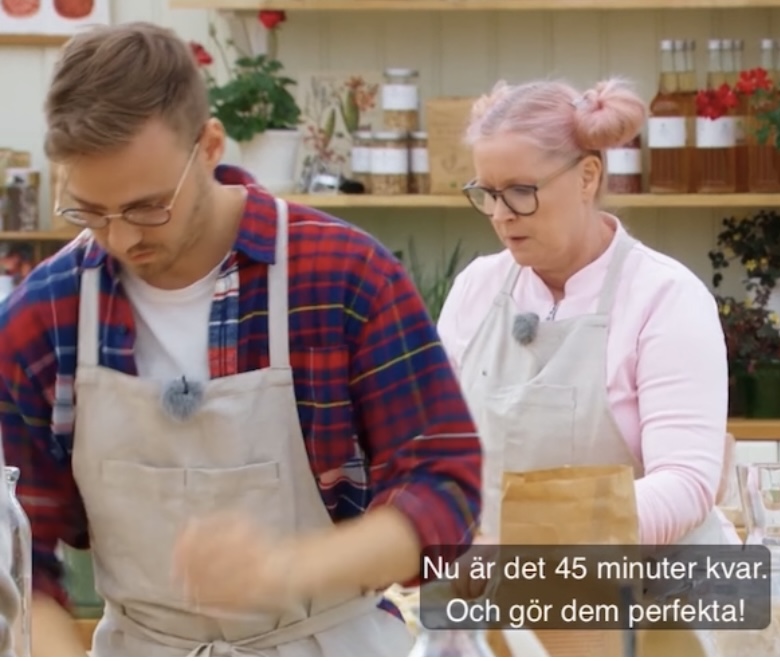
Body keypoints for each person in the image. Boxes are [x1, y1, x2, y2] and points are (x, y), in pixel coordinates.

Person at [0, 22, 482, 656]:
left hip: (330, 642)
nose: (120, 237)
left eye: (148, 207)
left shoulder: (343, 277)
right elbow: (23, 563)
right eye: (90, 212)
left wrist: (290, 568)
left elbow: (445, 491)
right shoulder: (43, 317)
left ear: (208, 145)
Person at [435, 77, 738, 563]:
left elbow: (685, 484)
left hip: (656, 589)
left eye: (520, 191)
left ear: (587, 177)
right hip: (511, 585)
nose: (500, 215)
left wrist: (539, 540)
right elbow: (438, 451)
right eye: (487, 193)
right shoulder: (477, 290)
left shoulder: (665, 297)